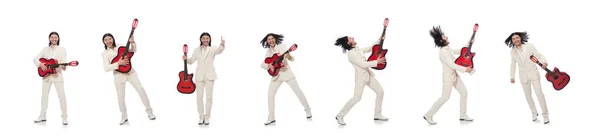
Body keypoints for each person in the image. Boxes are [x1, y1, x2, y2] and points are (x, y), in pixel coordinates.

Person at [423, 26, 474, 125]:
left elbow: (460, 51)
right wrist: (465, 69)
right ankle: (428, 115)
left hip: (455, 76)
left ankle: (463, 115)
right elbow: (452, 65)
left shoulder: (447, 48)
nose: (446, 36)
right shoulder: (443, 52)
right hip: (448, 78)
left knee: (464, 92)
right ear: (442, 40)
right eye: (444, 36)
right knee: (445, 97)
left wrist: (469, 42)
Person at [101, 33, 155, 125]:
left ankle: (149, 112)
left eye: (109, 39)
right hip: (118, 74)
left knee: (140, 90)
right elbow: (106, 68)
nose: (108, 41)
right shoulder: (105, 54)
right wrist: (118, 63)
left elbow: (133, 51)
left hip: (130, 72)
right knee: (120, 96)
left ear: (113, 39)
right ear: (104, 42)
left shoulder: (121, 46)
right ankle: (124, 117)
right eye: (106, 40)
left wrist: (132, 42)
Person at [333, 35, 388, 125]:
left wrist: (379, 39)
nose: (352, 37)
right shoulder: (351, 54)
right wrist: (377, 62)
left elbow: (370, 48)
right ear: (348, 43)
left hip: (368, 75)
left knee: (380, 92)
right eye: (350, 38)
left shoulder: (357, 49)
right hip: (360, 79)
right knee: (356, 98)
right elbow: (363, 64)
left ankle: (377, 114)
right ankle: (340, 116)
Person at [260, 33, 312, 125]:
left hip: (287, 73)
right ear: (267, 41)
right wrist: (268, 65)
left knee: (298, 92)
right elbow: (262, 64)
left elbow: (292, 59)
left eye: (272, 38)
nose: (271, 40)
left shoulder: (282, 47)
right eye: (269, 39)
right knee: (270, 96)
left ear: (275, 39)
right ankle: (271, 117)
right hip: (276, 76)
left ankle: (308, 110)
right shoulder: (268, 52)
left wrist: (289, 56)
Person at [505, 32, 550, 124]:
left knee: (539, 93)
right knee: (528, 96)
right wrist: (512, 76)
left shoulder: (529, 46)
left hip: (533, 73)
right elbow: (513, 64)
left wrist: (544, 62)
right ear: (512, 41)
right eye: (513, 39)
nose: (516, 40)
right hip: (523, 76)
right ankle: (534, 113)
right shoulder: (512, 51)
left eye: (517, 38)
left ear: (520, 38)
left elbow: (539, 55)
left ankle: (545, 115)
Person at [182, 32, 225, 125]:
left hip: (210, 75)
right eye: (204, 38)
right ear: (201, 39)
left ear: (209, 39)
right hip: (199, 76)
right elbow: (191, 61)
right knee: (199, 97)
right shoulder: (196, 50)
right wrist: (186, 59)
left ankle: (207, 117)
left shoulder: (213, 48)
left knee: (209, 98)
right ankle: (201, 117)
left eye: (207, 38)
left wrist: (222, 44)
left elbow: (219, 51)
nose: (206, 40)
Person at [33, 31, 69, 125]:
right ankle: (42, 116)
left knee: (62, 97)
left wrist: (64, 66)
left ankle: (64, 117)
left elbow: (64, 65)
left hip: (57, 76)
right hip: (46, 76)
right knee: (44, 97)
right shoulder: (45, 49)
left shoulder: (62, 49)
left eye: (56, 37)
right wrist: (41, 64)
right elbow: (35, 58)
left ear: (58, 38)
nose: (54, 39)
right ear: (49, 39)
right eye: (52, 37)